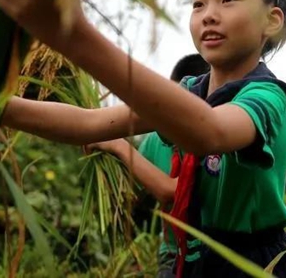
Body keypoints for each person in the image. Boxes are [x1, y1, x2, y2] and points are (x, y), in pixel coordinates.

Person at [0, 0, 286, 277]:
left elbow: (209, 132)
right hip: (191, 260)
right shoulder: (189, 91)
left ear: (272, 20)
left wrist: (75, 36)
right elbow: (88, 123)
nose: (209, 14)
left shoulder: (267, 97)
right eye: (198, 4)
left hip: (251, 266)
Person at [88, 53, 209, 278]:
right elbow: (132, 188)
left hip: (218, 252)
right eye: (173, 101)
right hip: (174, 252)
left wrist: (119, 146)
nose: (175, 115)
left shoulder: (214, 138)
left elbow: (173, 193)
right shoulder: (155, 139)